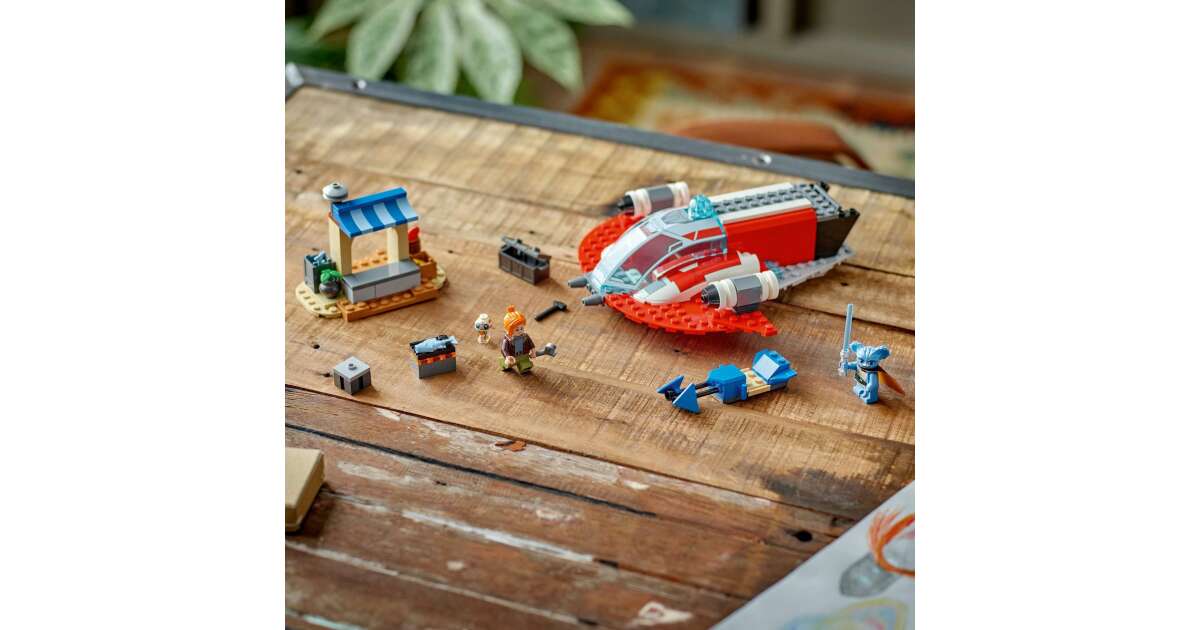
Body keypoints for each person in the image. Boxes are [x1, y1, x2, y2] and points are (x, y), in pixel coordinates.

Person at [500, 306, 538, 374]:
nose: (520, 331)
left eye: (522, 328)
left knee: (525, 365)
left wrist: (533, 351)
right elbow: (504, 349)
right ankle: (505, 363)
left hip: (523, 355)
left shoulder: (525, 336)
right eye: (517, 330)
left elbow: (531, 344)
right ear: (509, 330)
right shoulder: (508, 339)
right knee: (508, 364)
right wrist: (507, 356)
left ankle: (524, 366)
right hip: (512, 356)